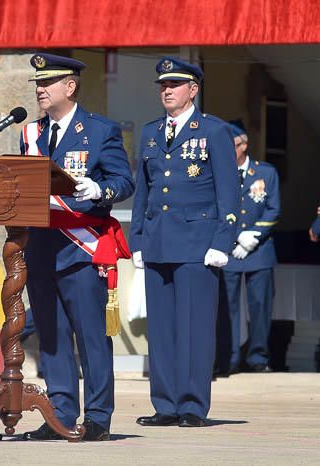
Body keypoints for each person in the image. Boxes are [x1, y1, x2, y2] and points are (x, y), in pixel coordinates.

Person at [19, 53, 134, 441]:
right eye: (37, 83)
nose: (40, 89)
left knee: (90, 338)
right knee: (50, 338)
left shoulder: (99, 131)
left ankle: (98, 416)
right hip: (41, 248)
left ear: (69, 87)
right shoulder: (30, 134)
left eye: (47, 83)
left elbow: (124, 181)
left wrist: (101, 189)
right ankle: (61, 413)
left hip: (81, 250)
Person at [130, 57, 238, 428]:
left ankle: (192, 404)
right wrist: (138, 240)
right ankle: (165, 404)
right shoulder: (150, 132)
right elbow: (143, 191)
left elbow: (229, 192)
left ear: (193, 90)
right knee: (161, 329)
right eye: (163, 85)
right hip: (159, 241)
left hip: (197, 242)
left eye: (174, 85)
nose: (167, 90)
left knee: (194, 329)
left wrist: (222, 242)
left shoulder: (214, 131)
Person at [215, 120, 280, 375]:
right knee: (226, 308)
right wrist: (232, 237)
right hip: (229, 249)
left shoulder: (265, 172)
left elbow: (274, 208)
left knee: (260, 306)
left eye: (231, 146)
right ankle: (228, 359)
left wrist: (253, 235)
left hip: (259, 249)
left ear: (244, 145)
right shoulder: (220, 173)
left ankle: (258, 358)